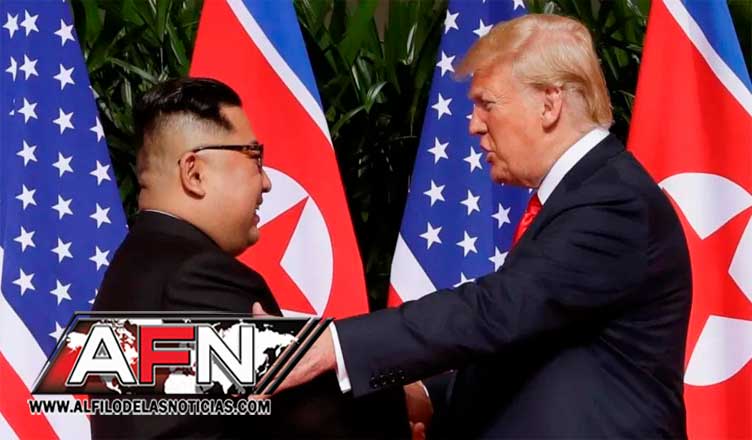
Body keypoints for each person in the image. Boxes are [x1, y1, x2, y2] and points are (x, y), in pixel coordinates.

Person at [264, 14, 692, 438]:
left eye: (487, 103)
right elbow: (531, 350)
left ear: (549, 104)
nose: (473, 124)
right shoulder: (582, 194)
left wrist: (333, 345)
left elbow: (496, 310)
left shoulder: (614, 201)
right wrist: (427, 395)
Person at [92, 77, 409, 438]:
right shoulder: (196, 277)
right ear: (194, 173)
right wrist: (407, 403)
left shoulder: (132, 267)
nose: (266, 182)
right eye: (254, 157)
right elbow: (309, 414)